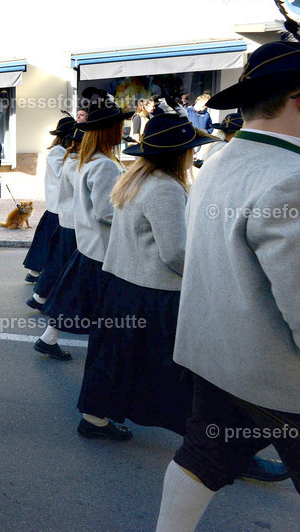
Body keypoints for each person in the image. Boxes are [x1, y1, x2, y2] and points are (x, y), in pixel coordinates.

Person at [155, 41, 300, 530]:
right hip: (280, 375)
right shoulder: (291, 176)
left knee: (203, 459)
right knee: (204, 458)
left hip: (216, 358)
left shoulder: (219, 160)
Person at [77, 110, 214, 441]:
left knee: (114, 359)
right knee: (177, 370)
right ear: (180, 153)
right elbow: (175, 252)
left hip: (122, 286)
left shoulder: (135, 178)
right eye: (191, 148)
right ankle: (208, 444)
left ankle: (94, 420)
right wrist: (203, 277)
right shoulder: (166, 188)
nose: (193, 153)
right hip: (154, 292)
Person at [32, 92, 130, 366]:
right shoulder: (104, 165)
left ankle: (49, 339)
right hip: (101, 247)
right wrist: (133, 214)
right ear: (110, 131)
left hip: (90, 244)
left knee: (75, 295)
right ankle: (107, 364)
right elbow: (105, 212)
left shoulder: (89, 160)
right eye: (120, 126)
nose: (123, 131)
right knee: (104, 309)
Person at [23, 116, 75, 283]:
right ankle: (36, 273)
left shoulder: (64, 152)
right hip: (57, 206)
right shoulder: (56, 152)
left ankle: (36, 273)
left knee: (48, 242)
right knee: (48, 243)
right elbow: (62, 175)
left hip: (60, 206)